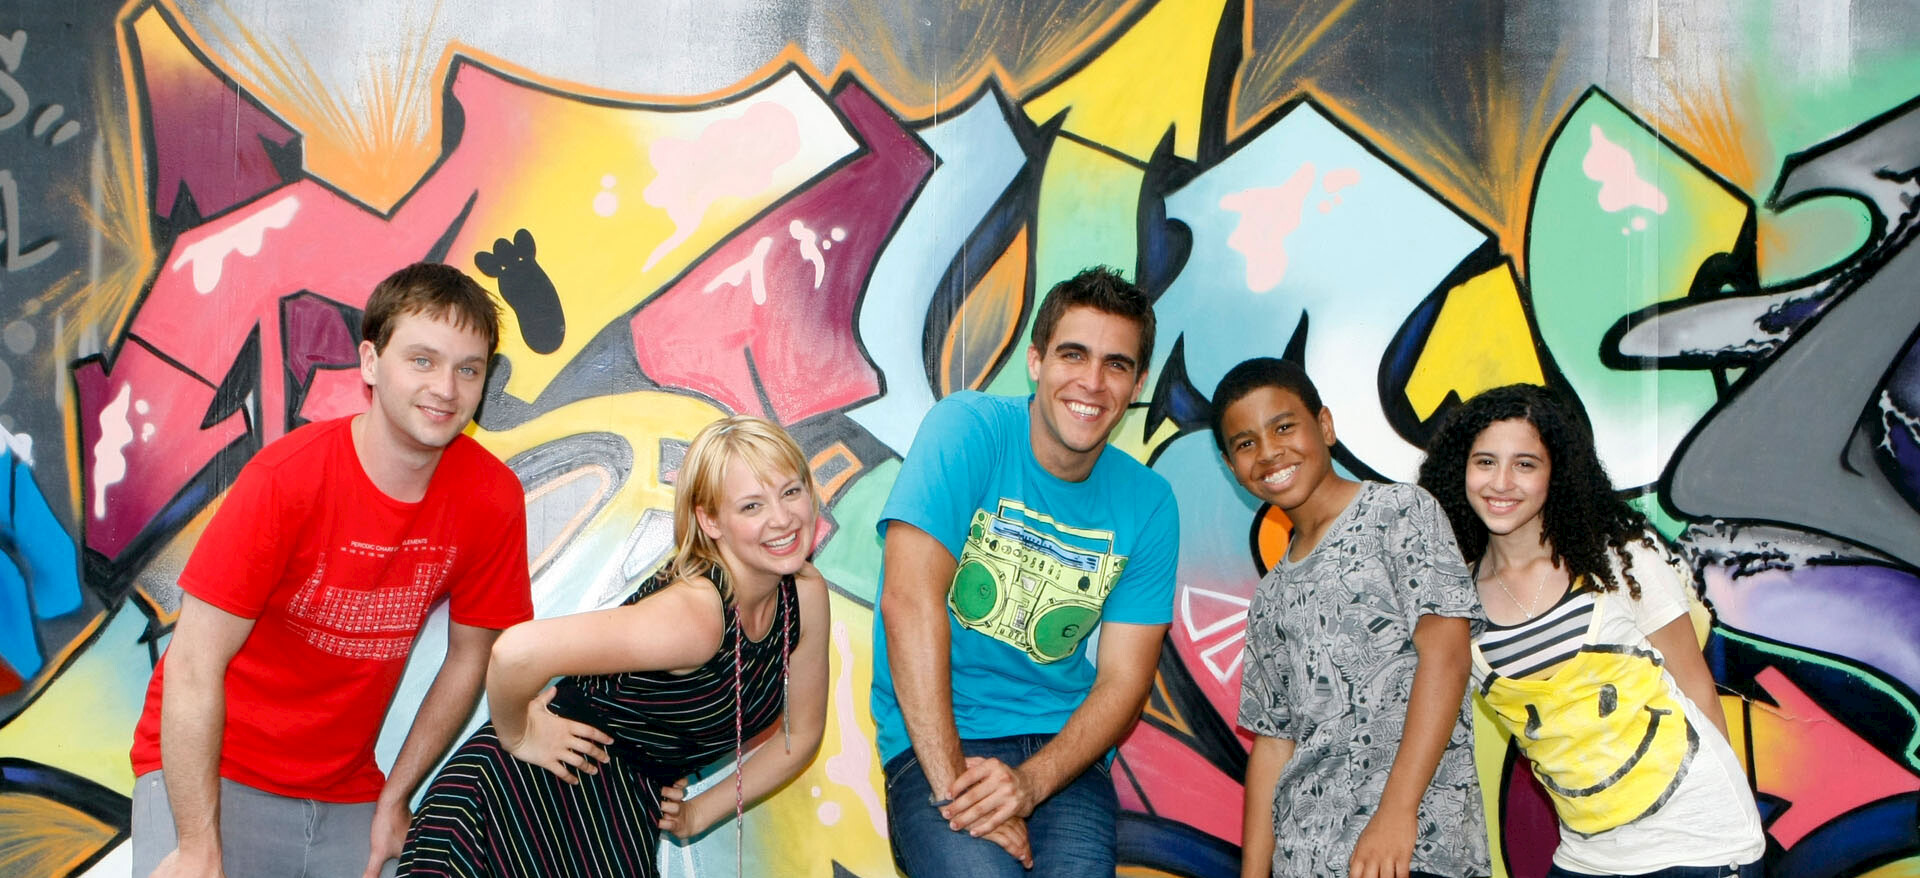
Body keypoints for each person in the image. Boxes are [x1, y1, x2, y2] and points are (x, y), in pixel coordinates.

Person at [129, 263, 535, 878]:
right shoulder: (285, 480)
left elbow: (471, 657)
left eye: (468, 369)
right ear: (371, 362)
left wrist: (396, 795)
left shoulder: (491, 498)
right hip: (214, 772)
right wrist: (196, 847)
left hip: (346, 792)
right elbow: (192, 664)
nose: (446, 388)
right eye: (422, 361)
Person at [398, 414, 830, 878]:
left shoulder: (804, 595)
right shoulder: (697, 617)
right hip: (514, 801)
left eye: (791, 491)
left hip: (617, 818)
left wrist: (700, 812)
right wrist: (518, 734)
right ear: (710, 520)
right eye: (752, 506)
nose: (782, 518)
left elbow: (802, 735)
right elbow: (514, 652)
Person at [871, 266, 1179, 876]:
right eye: (1073, 354)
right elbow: (908, 602)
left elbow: (1124, 681)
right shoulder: (969, 428)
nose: (1092, 382)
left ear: (1137, 383)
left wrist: (1030, 783)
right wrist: (959, 791)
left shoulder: (1150, 502)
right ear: (1036, 361)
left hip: (1062, 754)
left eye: (1116, 364)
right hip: (940, 736)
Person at [1417, 383, 1765, 878]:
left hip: (1700, 843)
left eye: (1525, 464)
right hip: (1587, 856)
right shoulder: (1456, 598)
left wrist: (1734, 822)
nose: (1501, 482)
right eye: (1485, 462)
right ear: (1461, 470)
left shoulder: (1620, 559)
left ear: (1555, 473)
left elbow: (1697, 687)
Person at [1211, 357, 1488, 878]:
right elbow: (1273, 743)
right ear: (1231, 466)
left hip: (1412, 847)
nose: (1268, 452)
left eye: (1283, 427)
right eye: (1246, 443)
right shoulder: (1270, 594)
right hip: (1304, 859)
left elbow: (1447, 659)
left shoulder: (1400, 512)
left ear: (1325, 426)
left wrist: (1396, 813)